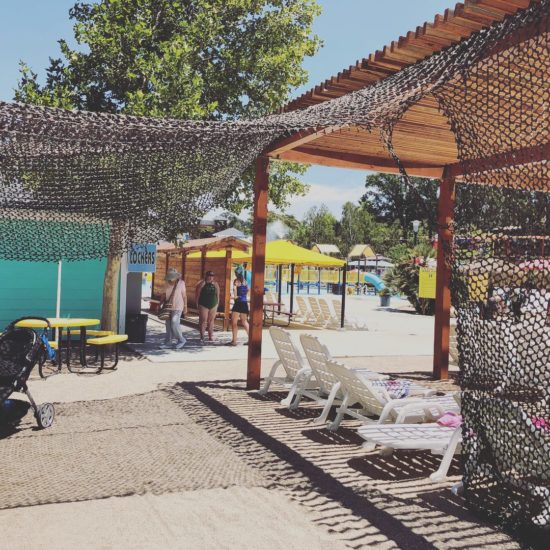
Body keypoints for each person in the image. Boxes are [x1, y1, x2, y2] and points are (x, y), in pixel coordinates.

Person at [160, 267, 187, 349]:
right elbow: (164, 295)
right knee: (168, 325)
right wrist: (160, 304)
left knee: (174, 322)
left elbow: (184, 296)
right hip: (168, 307)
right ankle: (168, 342)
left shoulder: (181, 283)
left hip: (178, 306)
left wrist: (186, 307)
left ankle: (181, 340)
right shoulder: (166, 283)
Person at [196, 270, 220, 343]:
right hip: (203, 304)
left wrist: (217, 303)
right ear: (206, 276)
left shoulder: (215, 284)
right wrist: (197, 304)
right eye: (209, 276)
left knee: (211, 321)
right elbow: (197, 294)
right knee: (203, 321)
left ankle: (210, 336)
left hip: (213, 304)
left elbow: (218, 295)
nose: (210, 277)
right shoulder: (201, 283)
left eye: (212, 276)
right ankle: (202, 337)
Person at [227, 270, 249, 346]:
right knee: (244, 322)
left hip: (238, 303)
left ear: (236, 273)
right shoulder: (245, 281)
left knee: (234, 322)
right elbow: (248, 290)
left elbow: (235, 293)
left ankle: (234, 341)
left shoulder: (236, 281)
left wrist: (235, 296)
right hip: (244, 302)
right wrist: (243, 295)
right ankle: (250, 339)